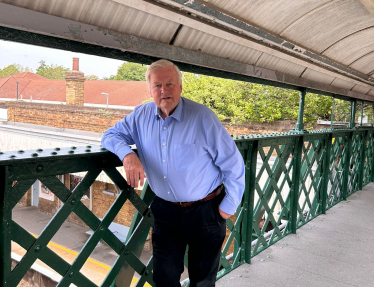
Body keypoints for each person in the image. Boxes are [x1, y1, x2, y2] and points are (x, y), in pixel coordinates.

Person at [101, 59, 245, 287]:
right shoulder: (140, 116)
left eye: (170, 84)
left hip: (206, 211)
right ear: (150, 89)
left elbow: (234, 165)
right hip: (166, 211)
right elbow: (109, 135)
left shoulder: (202, 117)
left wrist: (226, 208)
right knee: (163, 278)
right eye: (157, 85)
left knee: (203, 281)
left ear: (180, 87)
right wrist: (127, 155)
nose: (163, 90)